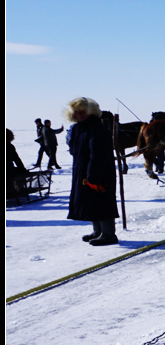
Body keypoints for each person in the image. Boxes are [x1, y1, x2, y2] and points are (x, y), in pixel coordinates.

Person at [64, 97, 119, 246]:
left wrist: (93, 175)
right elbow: (74, 149)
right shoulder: (76, 128)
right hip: (82, 171)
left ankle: (108, 234)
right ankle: (97, 231)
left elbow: (98, 154)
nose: (80, 115)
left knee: (102, 201)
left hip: (99, 171)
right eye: (77, 112)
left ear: (91, 112)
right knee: (89, 201)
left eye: (83, 112)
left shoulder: (97, 128)